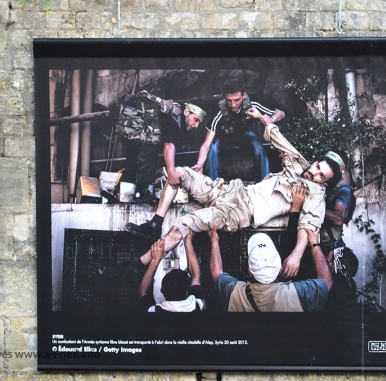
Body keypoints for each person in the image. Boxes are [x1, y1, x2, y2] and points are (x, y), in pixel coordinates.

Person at [126, 112, 343, 280]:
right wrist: (262, 119)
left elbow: (309, 226)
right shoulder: (302, 165)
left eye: (320, 175)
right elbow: (280, 138)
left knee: (185, 223)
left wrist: (296, 255)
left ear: (325, 182)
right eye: (316, 166)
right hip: (231, 190)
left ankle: (140, 263)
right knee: (181, 173)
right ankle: (155, 223)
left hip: (238, 211)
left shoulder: (316, 194)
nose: (313, 171)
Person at [207, 186, 332, 311]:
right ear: (280, 268)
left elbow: (216, 273)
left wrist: (214, 240)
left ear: (249, 270)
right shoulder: (298, 295)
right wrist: (315, 244)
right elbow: (327, 282)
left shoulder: (234, 294)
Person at [116, 90, 207, 201]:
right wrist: (171, 172)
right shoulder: (173, 118)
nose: (196, 125)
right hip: (133, 122)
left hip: (128, 120)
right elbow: (168, 145)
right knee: (146, 158)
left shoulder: (176, 114)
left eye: (199, 123)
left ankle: (124, 196)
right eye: (196, 120)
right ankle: (139, 195)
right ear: (187, 112)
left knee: (134, 162)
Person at [194, 78, 285, 182]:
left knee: (257, 146)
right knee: (213, 148)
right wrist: (199, 164)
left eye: (237, 100)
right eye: (229, 100)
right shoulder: (218, 112)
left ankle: (264, 183)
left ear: (243, 95)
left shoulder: (252, 105)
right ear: (224, 97)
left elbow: (281, 113)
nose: (233, 105)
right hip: (224, 138)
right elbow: (206, 144)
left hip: (244, 135)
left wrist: (272, 119)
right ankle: (212, 186)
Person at [138, 231, 205, 312]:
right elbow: (196, 276)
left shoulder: (155, 311)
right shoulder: (196, 306)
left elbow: (142, 291)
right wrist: (188, 240)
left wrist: (155, 260)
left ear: (162, 291)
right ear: (187, 292)